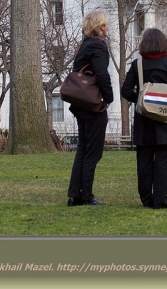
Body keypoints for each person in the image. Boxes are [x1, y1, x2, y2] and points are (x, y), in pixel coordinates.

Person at [121, 28, 167, 209]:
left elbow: (125, 91)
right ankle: (160, 199)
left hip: (144, 119)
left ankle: (146, 199)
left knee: (144, 159)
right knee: (163, 160)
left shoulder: (137, 65)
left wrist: (141, 101)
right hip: (165, 118)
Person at [66, 10, 114, 206]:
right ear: (101, 26)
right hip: (92, 104)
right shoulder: (98, 46)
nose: (108, 27)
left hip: (80, 103)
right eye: (106, 24)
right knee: (93, 151)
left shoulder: (83, 45)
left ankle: (74, 194)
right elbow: (102, 74)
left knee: (83, 149)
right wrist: (108, 98)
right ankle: (86, 194)